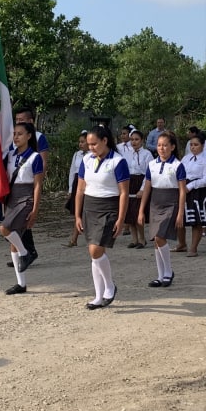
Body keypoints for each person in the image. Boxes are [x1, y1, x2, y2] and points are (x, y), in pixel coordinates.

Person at [74, 126, 129, 309]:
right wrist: (77, 215)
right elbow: (80, 189)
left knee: (95, 250)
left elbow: (124, 192)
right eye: (88, 144)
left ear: (105, 141)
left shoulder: (118, 161)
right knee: (94, 252)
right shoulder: (86, 159)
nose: (91, 147)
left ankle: (110, 286)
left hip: (109, 207)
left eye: (94, 144)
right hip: (90, 207)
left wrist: (121, 219)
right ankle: (98, 295)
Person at [0, 122, 44, 294]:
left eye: (20, 134)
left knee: (4, 228)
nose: (16, 137)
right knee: (13, 241)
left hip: (26, 197)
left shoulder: (35, 157)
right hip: (12, 197)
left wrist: (35, 209)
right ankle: (21, 283)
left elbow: (38, 185)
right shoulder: (9, 155)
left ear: (29, 136)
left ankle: (25, 253)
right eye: (14, 134)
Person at [139, 131, 187, 287]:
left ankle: (168, 271)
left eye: (165, 145)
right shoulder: (152, 164)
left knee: (160, 236)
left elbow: (182, 190)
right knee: (156, 240)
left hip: (171, 203)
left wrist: (180, 213)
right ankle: (160, 276)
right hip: (155, 203)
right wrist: (141, 210)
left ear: (172, 147)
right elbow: (147, 188)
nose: (161, 148)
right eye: (159, 145)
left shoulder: (178, 165)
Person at [11, 107, 49, 266]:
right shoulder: (14, 137)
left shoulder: (39, 137)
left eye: (22, 120)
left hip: (29, 182)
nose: (18, 122)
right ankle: (24, 251)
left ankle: (25, 252)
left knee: (21, 219)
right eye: (17, 120)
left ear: (31, 121)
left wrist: (37, 181)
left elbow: (43, 160)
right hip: (14, 185)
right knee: (17, 222)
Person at [182, 132, 206, 257]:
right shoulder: (186, 158)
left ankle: (193, 247)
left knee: (197, 220)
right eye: (191, 145)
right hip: (184, 188)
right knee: (182, 217)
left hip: (199, 191)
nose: (193, 147)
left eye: (196, 145)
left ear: (202, 145)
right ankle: (181, 244)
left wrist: (191, 185)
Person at [123, 128, 151, 248]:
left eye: (136, 139)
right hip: (129, 183)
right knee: (129, 213)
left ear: (142, 140)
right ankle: (134, 239)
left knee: (138, 212)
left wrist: (143, 188)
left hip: (140, 182)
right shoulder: (127, 154)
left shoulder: (147, 154)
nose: (134, 142)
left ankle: (142, 239)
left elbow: (149, 173)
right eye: (132, 140)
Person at [64, 130, 89, 247]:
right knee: (77, 211)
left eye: (83, 142)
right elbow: (72, 171)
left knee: (86, 211)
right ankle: (74, 238)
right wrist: (70, 189)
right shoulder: (77, 154)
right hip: (77, 183)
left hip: (88, 183)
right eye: (80, 142)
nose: (80, 144)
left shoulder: (92, 155)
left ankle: (80, 237)